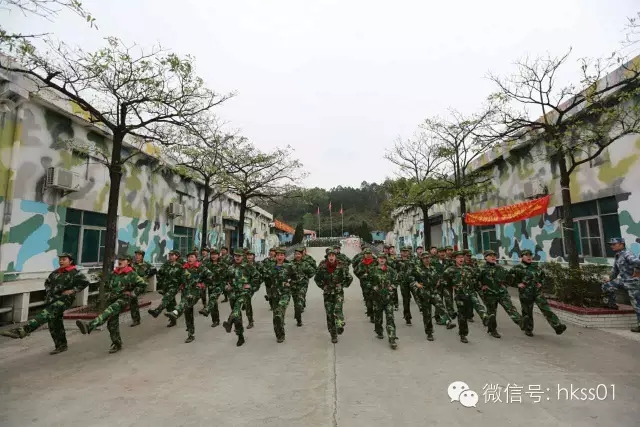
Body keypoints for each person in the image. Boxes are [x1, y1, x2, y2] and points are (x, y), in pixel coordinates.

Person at [0, 253, 90, 354]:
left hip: (64, 300)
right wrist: (49, 293)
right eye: (60, 259)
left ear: (70, 261)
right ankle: (61, 345)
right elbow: (47, 282)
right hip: (52, 299)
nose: (61, 261)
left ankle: (23, 330)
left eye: (64, 259)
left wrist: (72, 290)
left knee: (46, 313)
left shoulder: (74, 273)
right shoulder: (55, 272)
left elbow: (85, 282)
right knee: (54, 322)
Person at [76, 254, 147, 353]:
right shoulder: (114, 273)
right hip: (112, 299)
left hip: (123, 299)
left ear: (128, 262)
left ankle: (89, 326)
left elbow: (143, 284)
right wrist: (107, 295)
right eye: (119, 259)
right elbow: (107, 286)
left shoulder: (132, 274)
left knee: (111, 309)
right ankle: (117, 343)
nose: (120, 261)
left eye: (123, 259)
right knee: (112, 323)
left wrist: (132, 293)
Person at [509, 250, 567, 337]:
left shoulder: (535, 267)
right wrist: (517, 284)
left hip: (537, 293)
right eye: (526, 255)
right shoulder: (517, 268)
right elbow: (508, 278)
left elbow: (543, 277)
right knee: (527, 313)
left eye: (530, 255)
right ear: (521, 257)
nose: (529, 257)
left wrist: (541, 283)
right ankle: (528, 329)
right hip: (525, 294)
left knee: (546, 309)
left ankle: (558, 326)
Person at [164, 251, 214, 343]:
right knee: (188, 313)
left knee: (186, 302)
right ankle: (190, 334)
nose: (189, 259)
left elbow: (211, 276)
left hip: (196, 292)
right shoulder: (184, 267)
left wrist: (203, 284)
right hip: (185, 292)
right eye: (188, 257)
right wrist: (181, 285)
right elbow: (180, 278)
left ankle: (176, 312)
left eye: (192, 257)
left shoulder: (201, 267)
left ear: (196, 258)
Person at [442, 251, 488, 344]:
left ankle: (485, 318)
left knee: (477, 304)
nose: (461, 259)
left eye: (462, 257)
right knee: (462, 315)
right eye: (459, 257)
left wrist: (481, 286)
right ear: (454, 259)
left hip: (470, 292)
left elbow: (476, 278)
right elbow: (445, 284)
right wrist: (451, 290)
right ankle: (463, 334)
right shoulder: (450, 270)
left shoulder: (468, 268)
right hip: (460, 295)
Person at [411, 253, 456, 341]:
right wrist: (416, 284)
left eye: (428, 257)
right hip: (424, 293)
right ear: (422, 259)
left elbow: (438, 276)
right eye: (424, 258)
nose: (426, 259)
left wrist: (438, 281)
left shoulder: (433, 268)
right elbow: (410, 278)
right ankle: (429, 333)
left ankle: (448, 322)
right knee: (427, 314)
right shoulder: (417, 269)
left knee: (441, 306)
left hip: (434, 292)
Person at [477, 250, 522, 338]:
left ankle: (521, 322)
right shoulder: (481, 269)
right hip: (490, 295)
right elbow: (475, 280)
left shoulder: (500, 268)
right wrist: (481, 287)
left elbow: (509, 278)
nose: (493, 257)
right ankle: (492, 330)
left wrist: (508, 285)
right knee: (492, 313)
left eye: (494, 255)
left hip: (502, 294)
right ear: (485, 257)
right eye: (490, 255)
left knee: (510, 308)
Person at [602, 237, 640, 333]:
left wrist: (637, 271)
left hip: (633, 283)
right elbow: (615, 271)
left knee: (637, 305)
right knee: (606, 286)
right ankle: (612, 304)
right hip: (623, 281)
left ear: (621, 244)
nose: (612, 246)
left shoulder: (627, 254)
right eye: (611, 244)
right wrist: (609, 279)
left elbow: (637, 262)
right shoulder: (617, 256)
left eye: (614, 244)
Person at [315, 249, 353, 343]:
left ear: (336, 257)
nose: (331, 257)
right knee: (329, 314)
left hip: (338, 293)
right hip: (327, 294)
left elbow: (349, 278)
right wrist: (323, 286)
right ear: (327, 257)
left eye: (333, 255)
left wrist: (342, 285)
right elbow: (317, 279)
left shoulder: (341, 265)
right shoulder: (322, 266)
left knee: (337, 309)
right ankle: (333, 334)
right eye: (329, 255)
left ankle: (339, 325)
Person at [264, 248, 294, 343]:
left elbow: (296, 278)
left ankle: (281, 334)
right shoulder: (271, 267)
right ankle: (279, 335)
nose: (279, 257)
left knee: (279, 312)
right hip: (274, 295)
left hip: (285, 294)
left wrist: (290, 283)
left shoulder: (289, 266)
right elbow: (267, 280)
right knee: (276, 317)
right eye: (278, 255)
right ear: (275, 256)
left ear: (284, 256)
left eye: (281, 255)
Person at [370, 254, 399, 349]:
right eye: (380, 258)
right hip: (377, 298)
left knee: (390, 318)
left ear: (386, 260)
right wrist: (373, 287)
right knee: (378, 318)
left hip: (388, 299)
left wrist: (392, 287)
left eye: (383, 258)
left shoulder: (391, 270)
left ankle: (392, 339)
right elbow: (367, 281)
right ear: (377, 260)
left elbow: (397, 280)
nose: (382, 260)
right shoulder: (373, 270)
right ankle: (379, 331)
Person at [148, 250, 183, 327]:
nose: (170, 257)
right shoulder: (166, 264)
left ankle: (157, 311)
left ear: (176, 256)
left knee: (166, 298)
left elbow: (183, 277)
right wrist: (161, 282)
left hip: (174, 287)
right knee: (170, 304)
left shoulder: (180, 266)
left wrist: (181, 285)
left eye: (172, 255)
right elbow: (160, 273)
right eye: (169, 255)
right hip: (166, 287)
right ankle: (173, 320)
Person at [200, 248, 228, 327]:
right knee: (213, 302)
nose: (213, 256)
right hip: (210, 286)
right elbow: (203, 274)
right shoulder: (207, 264)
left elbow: (228, 275)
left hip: (220, 285)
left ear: (218, 255)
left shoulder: (223, 265)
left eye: (215, 254)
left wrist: (227, 284)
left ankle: (207, 310)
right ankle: (215, 320)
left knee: (212, 298)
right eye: (212, 254)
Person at [290, 248, 316, 327]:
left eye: (299, 254)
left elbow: (312, 272)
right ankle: (298, 319)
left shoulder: (305, 264)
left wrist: (306, 277)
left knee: (299, 303)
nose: (297, 256)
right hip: (293, 286)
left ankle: (299, 314)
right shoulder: (290, 264)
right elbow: (286, 273)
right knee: (295, 303)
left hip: (302, 286)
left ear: (302, 255)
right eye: (296, 254)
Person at [131, 250, 156, 327]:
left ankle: (136, 320)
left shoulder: (146, 264)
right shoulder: (132, 264)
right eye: (136, 255)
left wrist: (146, 276)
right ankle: (136, 320)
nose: (137, 256)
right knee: (132, 300)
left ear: (142, 256)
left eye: (139, 255)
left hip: (142, 285)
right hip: (133, 284)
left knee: (133, 296)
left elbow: (154, 270)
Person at [353, 249, 377, 323]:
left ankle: (376, 314)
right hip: (365, 284)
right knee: (368, 300)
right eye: (367, 254)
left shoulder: (376, 262)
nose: (368, 255)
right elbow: (355, 271)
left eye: (369, 253)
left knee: (375, 299)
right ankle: (371, 314)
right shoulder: (361, 263)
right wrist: (361, 277)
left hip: (375, 283)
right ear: (364, 255)